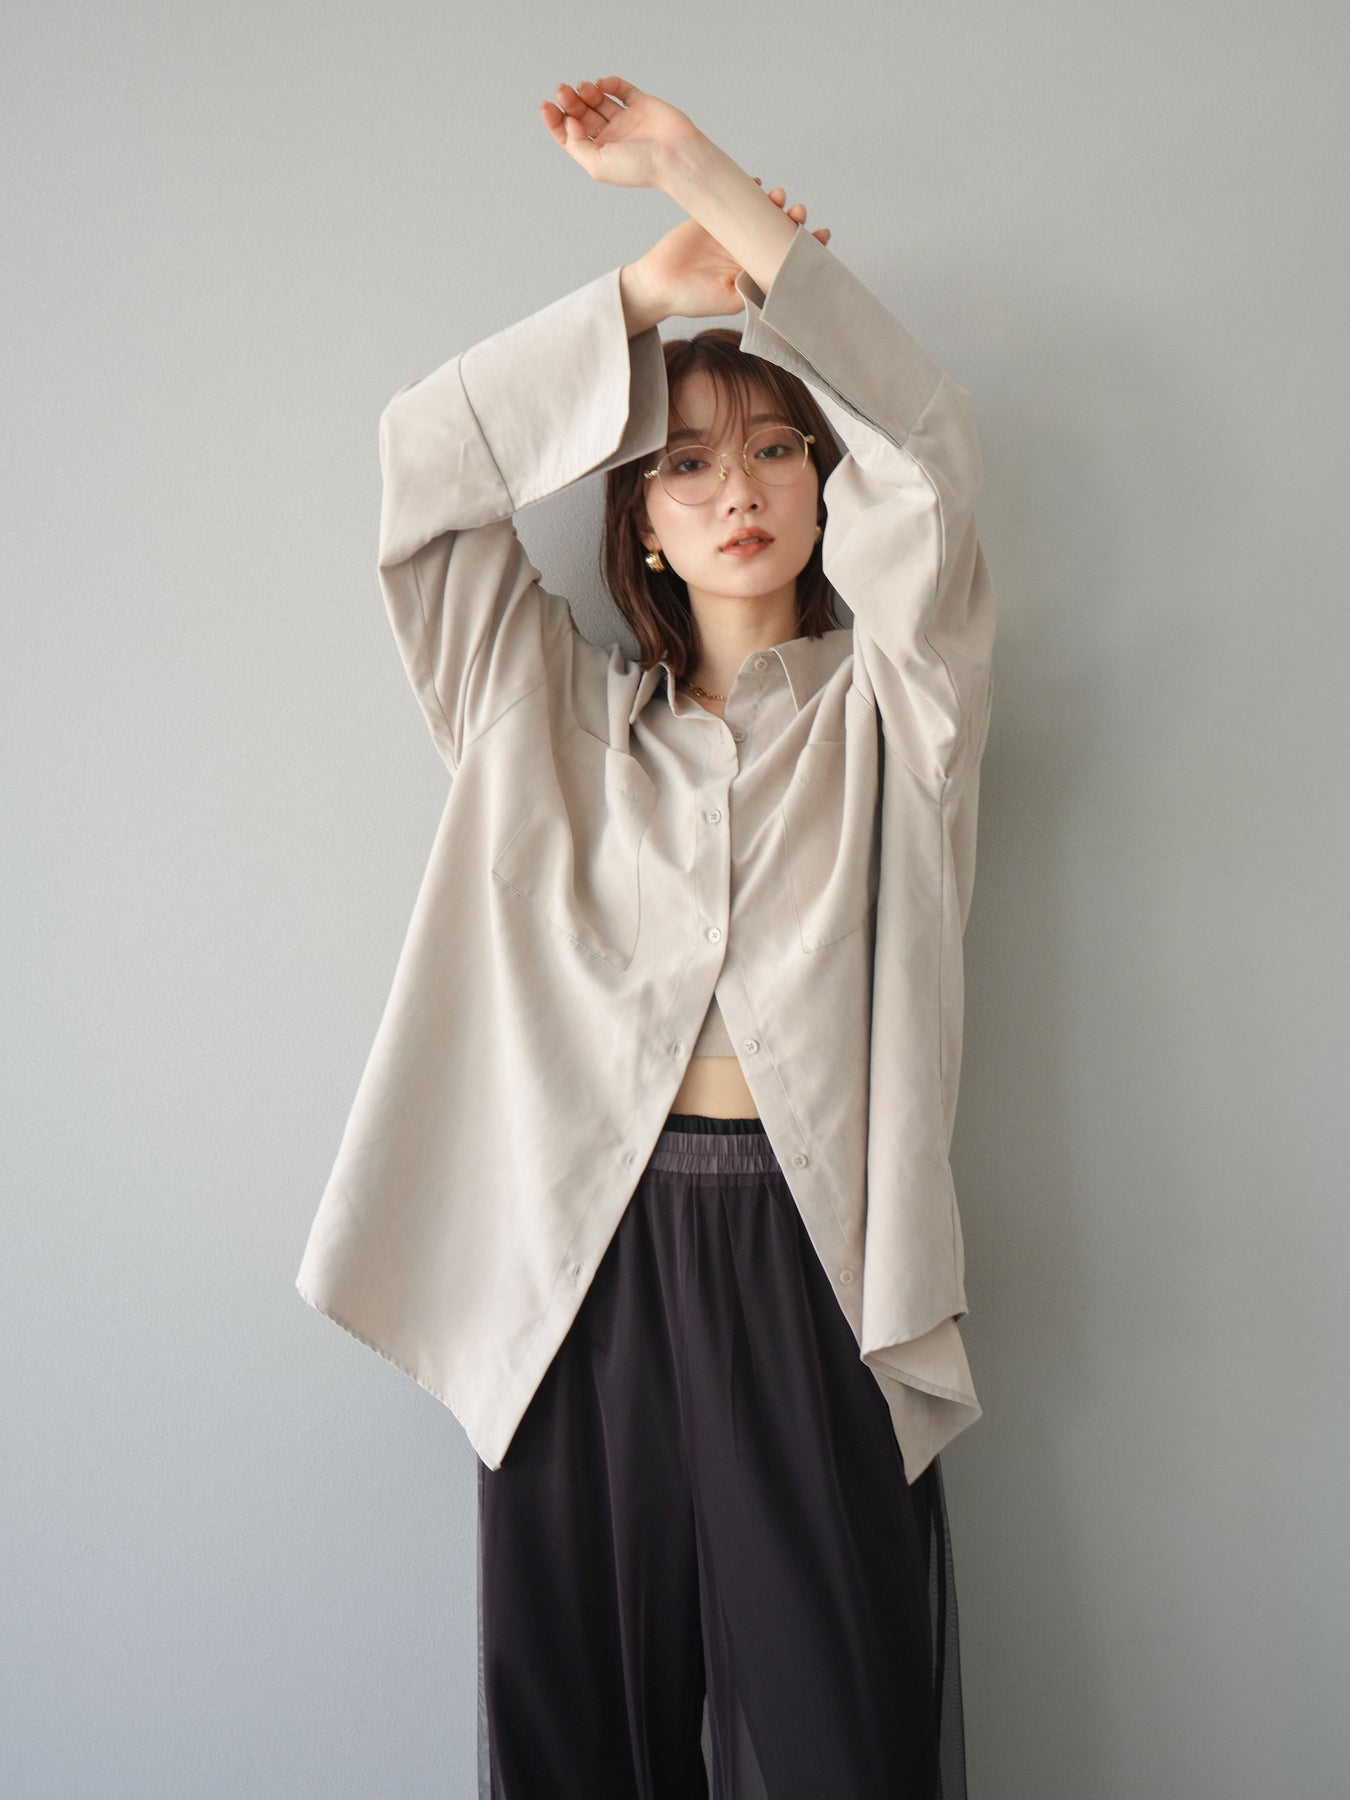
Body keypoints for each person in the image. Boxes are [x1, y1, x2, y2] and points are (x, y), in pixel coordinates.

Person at [296, 74, 996, 1800]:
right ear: (641, 524)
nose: (735, 488)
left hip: (808, 1258)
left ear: (819, 484)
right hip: (573, 1261)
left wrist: (701, 177)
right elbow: (421, 466)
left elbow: (929, 462)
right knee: (578, 1738)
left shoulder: (899, 713)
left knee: (841, 1735)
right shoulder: (536, 712)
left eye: (774, 448)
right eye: (683, 463)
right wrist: (637, 292)